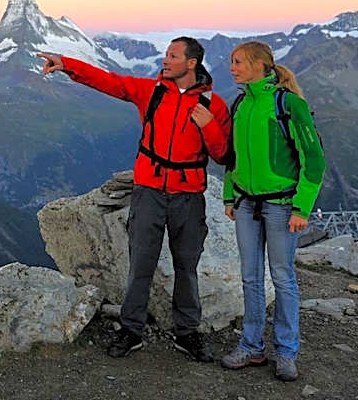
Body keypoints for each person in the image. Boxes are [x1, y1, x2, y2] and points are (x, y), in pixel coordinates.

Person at [37, 37, 231, 362]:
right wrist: (68, 65)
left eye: (172, 56)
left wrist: (209, 125)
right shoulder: (151, 91)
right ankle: (131, 330)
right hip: (149, 191)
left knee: (187, 266)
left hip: (188, 195)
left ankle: (187, 333)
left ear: (191, 63)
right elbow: (111, 82)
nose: (165, 60)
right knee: (141, 263)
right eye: (166, 54)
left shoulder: (214, 106)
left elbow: (223, 155)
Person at [220, 41, 325, 381]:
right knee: (250, 277)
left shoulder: (288, 103)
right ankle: (251, 348)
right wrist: (228, 195)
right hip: (246, 202)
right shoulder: (241, 103)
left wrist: (302, 208)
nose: (232, 68)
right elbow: (233, 156)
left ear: (258, 65)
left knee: (282, 278)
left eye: (238, 62)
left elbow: (315, 160)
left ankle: (286, 352)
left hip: (282, 206)